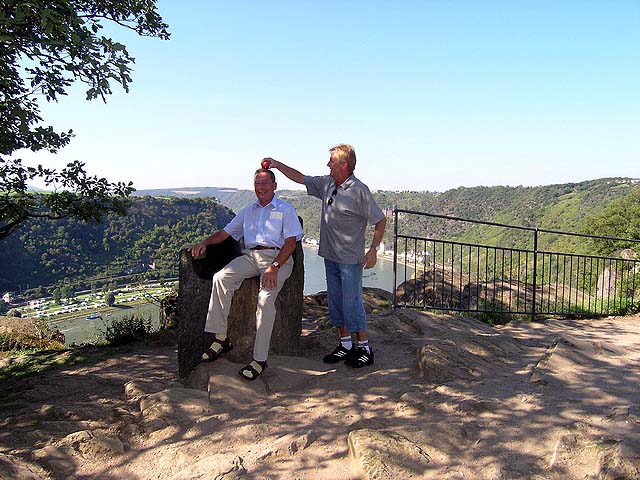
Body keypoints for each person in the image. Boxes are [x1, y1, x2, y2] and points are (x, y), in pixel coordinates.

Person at [262, 144, 386, 368]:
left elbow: (380, 220)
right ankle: (346, 344)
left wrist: (374, 249)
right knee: (336, 303)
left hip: (350, 259)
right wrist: (278, 165)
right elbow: (301, 178)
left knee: (352, 303)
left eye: (331, 161)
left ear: (344, 164)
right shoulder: (328, 184)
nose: (327, 164)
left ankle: (365, 348)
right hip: (330, 255)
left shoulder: (359, 190)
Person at [190, 169, 303, 381]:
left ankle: (259, 359)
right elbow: (225, 234)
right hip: (251, 256)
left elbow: (290, 243)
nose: (261, 187)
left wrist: (275, 266)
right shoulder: (248, 210)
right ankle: (221, 338)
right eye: (257, 183)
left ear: (274, 186)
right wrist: (204, 243)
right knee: (221, 278)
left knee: (265, 299)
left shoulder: (285, 209)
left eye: (265, 183)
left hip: (279, 258)